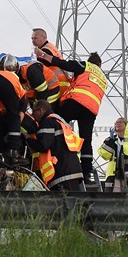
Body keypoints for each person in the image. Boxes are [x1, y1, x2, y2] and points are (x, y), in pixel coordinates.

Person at [35, 49, 106, 183]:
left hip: (76, 102)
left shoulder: (85, 66)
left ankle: (49, 147)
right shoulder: (103, 77)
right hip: (91, 110)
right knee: (86, 140)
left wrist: (47, 58)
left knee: (54, 121)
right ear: (100, 65)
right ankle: (86, 174)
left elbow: (65, 64)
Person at [23, 100, 84, 191]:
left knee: (69, 202)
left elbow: (43, 146)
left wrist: (28, 138)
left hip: (63, 173)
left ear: (42, 110)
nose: (32, 115)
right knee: (72, 202)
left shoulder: (48, 122)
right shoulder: (58, 120)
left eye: (34, 111)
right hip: (69, 171)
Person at [30, 28, 69, 100]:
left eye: (35, 38)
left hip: (56, 83)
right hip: (62, 82)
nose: (33, 41)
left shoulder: (45, 51)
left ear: (44, 38)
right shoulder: (50, 47)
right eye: (32, 38)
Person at [98, 117, 127, 192]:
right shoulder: (110, 140)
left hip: (127, 172)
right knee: (114, 198)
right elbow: (104, 155)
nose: (118, 124)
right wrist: (111, 141)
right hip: (114, 174)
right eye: (116, 123)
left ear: (126, 125)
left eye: (120, 122)